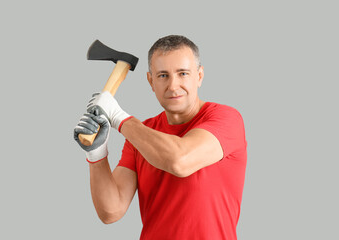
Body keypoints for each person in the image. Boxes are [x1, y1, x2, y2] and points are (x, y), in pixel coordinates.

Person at [74, 35, 247, 240]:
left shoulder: (226, 118)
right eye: (163, 75)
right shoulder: (141, 133)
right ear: (151, 81)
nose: (173, 86)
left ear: (199, 76)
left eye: (183, 73)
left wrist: (118, 117)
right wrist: (97, 154)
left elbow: (179, 160)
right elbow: (111, 211)